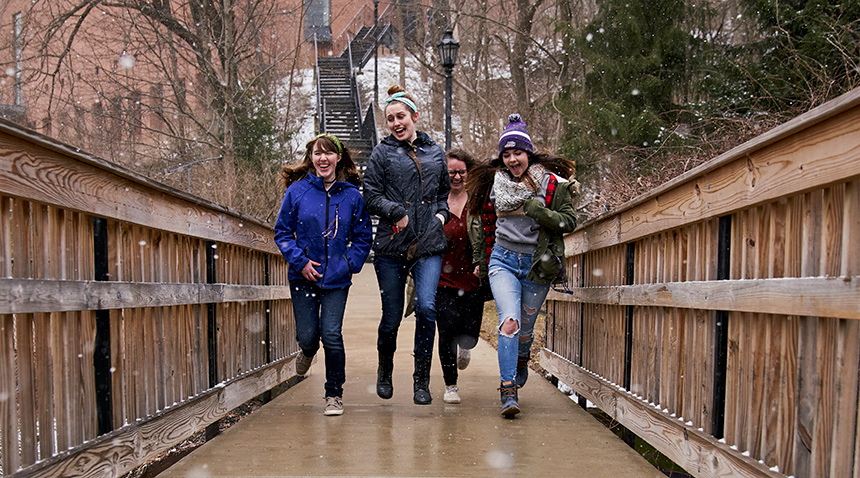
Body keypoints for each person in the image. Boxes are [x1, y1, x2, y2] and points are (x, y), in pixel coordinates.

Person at [467, 114, 578, 417]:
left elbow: (569, 221)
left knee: (525, 331)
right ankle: (507, 390)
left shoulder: (552, 184)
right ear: (501, 158)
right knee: (510, 323)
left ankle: (520, 359)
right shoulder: (497, 184)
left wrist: (539, 211)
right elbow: (483, 222)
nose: (513, 159)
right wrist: (481, 259)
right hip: (503, 261)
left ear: (528, 153)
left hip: (536, 266)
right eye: (506, 154)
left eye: (517, 152)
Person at [274, 133, 372, 416]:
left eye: (328, 153)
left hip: (337, 279)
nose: (323, 158)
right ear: (311, 158)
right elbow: (282, 232)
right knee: (308, 336)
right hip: (303, 276)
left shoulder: (352, 196)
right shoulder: (297, 192)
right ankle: (306, 351)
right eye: (317, 153)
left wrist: (347, 263)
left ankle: (334, 394)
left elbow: (363, 238)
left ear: (338, 158)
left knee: (331, 334)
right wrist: (301, 262)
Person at [363, 85, 450, 405]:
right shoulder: (381, 153)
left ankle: (421, 380)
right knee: (392, 315)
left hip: (428, 242)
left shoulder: (436, 152)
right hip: (391, 244)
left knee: (427, 308)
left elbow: (443, 193)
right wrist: (395, 211)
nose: (396, 123)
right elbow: (370, 196)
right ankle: (385, 370)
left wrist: (441, 216)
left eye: (401, 116)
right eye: (390, 119)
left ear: (415, 116)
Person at [435, 148, 484, 404]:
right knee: (446, 330)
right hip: (442, 278)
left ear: (469, 173)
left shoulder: (478, 200)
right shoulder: (436, 201)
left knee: (470, 334)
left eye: (461, 172)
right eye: (451, 172)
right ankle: (450, 385)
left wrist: (483, 262)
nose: (456, 177)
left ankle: (466, 347)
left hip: (472, 277)